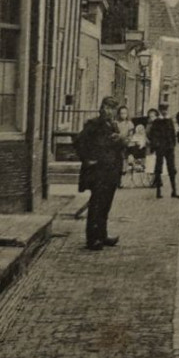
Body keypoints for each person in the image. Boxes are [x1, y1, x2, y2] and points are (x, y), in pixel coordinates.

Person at [75, 96, 124, 250]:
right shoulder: (93, 125)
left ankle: (102, 235)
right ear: (102, 108)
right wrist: (87, 159)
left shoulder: (113, 125)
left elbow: (116, 146)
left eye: (113, 109)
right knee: (96, 205)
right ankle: (92, 239)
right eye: (107, 108)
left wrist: (121, 140)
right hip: (98, 172)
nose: (110, 112)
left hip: (111, 172)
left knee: (105, 205)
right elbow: (78, 141)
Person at [148, 103, 179, 199]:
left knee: (172, 169)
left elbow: (173, 133)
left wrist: (173, 144)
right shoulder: (157, 121)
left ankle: (174, 191)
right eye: (163, 109)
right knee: (158, 168)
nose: (164, 111)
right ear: (160, 110)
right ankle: (158, 192)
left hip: (169, 148)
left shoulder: (169, 120)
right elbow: (152, 135)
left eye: (166, 109)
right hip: (160, 148)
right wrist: (156, 145)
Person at [116, 103, 134, 186]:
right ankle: (118, 181)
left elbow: (130, 135)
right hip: (117, 144)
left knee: (124, 160)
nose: (123, 115)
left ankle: (122, 175)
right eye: (121, 113)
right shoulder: (116, 123)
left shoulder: (129, 124)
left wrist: (128, 140)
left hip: (125, 144)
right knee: (117, 162)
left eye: (125, 113)